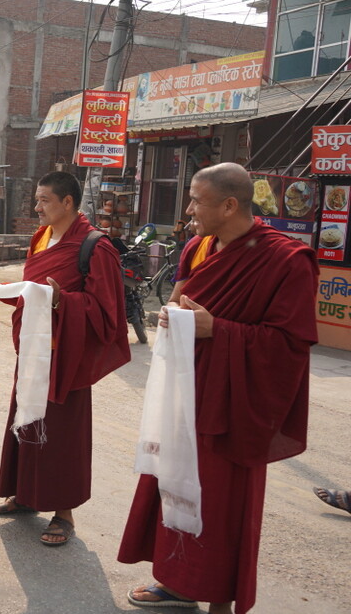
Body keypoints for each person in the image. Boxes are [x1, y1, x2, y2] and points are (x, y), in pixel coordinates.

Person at [119, 163, 318, 614]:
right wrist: (176, 315)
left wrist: (219, 330)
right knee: (174, 481)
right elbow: (182, 299)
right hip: (186, 390)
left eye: (196, 201)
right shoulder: (198, 246)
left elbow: (290, 344)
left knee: (223, 497)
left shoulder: (285, 260)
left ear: (230, 205)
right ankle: (177, 581)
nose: (188, 210)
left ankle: (220, 596)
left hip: (236, 396)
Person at [0, 171, 130, 547]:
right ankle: (24, 494)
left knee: (62, 434)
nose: (37, 208)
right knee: (26, 418)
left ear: (68, 202)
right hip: (34, 348)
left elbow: (107, 312)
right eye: (37, 200)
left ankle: (64, 514)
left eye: (44, 200)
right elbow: (30, 293)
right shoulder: (41, 238)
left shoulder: (96, 247)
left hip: (67, 353)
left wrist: (63, 301)